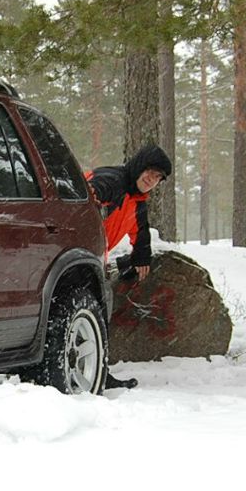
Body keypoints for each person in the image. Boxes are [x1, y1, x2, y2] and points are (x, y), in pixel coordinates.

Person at [86, 141, 173, 389]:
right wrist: (93, 193)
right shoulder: (113, 180)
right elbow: (91, 189)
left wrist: (141, 257)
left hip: (91, 256)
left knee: (96, 312)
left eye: (157, 177)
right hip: (73, 253)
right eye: (149, 172)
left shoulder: (136, 200)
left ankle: (97, 372)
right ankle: (94, 372)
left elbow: (141, 230)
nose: (151, 179)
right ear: (139, 166)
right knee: (92, 312)